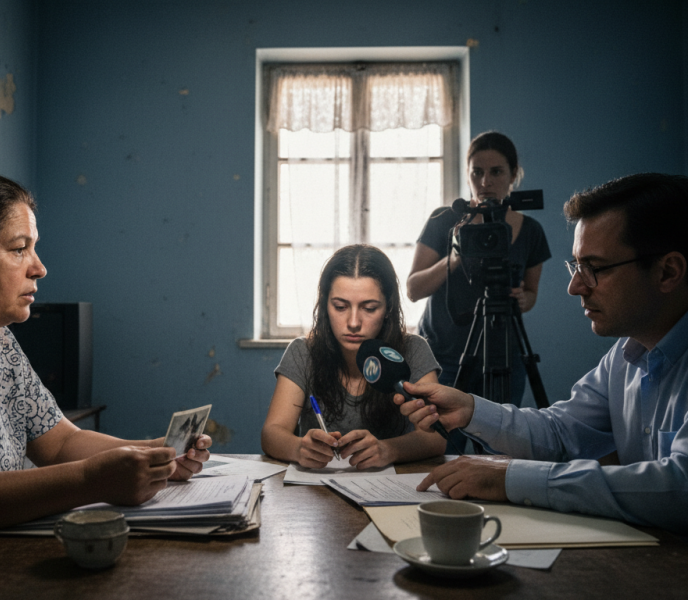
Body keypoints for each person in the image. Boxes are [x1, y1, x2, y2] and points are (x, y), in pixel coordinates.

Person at [0, 169, 212, 567]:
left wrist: (157, 453)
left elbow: (59, 443)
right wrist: (89, 481)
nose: (39, 268)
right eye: (19, 249)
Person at [397, 173, 688, 533]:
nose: (574, 286)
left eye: (593, 268)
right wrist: (470, 409)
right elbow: (560, 432)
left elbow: (680, 485)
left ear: (668, 272)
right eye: (576, 265)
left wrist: (510, 478)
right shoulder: (625, 356)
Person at [261, 244, 446, 470]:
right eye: (340, 307)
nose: (353, 323)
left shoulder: (413, 350)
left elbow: (437, 438)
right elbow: (271, 433)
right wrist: (299, 448)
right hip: (316, 493)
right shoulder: (303, 352)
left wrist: (388, 450)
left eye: (369, 308)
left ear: (388, 308)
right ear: (324, 305)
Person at [406, 131, 551, 407]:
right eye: (477, 173)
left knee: (502, 443)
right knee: (443, 444)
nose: (485, 182)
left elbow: (530, 294)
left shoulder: (531, 231)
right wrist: (457, 254)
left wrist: (523, 299)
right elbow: (413, 289)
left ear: (513, 175)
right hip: (442, 356)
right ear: (468, 175)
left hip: (503, 356)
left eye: (496, 172)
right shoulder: (444, 220)